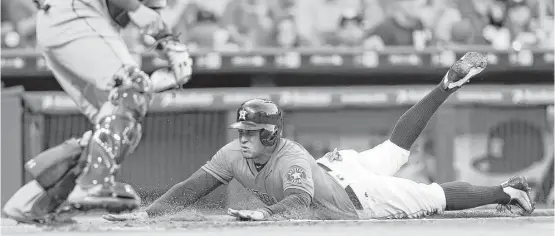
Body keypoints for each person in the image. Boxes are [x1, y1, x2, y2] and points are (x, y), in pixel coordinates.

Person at [2, 0, 193, 224]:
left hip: (66, 20)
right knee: (133, 87)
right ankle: (92, 184)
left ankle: (35, 202)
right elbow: (143, 14)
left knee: (117, 120)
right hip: (74, 12)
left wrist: (163, 41)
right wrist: (160, 32)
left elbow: (148, 14)